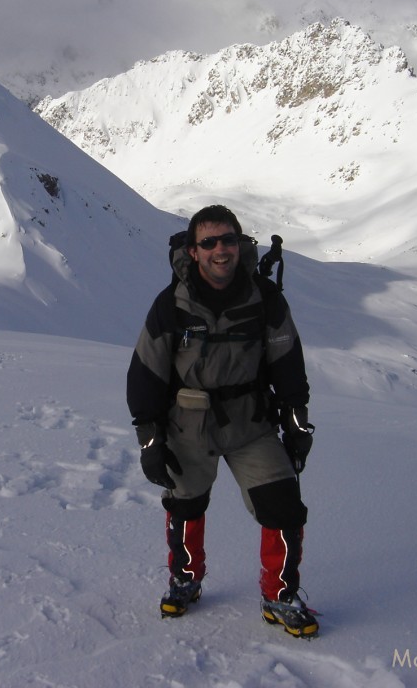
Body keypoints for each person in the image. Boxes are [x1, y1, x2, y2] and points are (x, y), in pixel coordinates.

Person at [126, 205, 318, 637]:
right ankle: (186, 579)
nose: (220, 250)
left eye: (227, 240)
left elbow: (288, 365)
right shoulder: (171, 305)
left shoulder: (265, 299)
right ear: (192, 251)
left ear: (240, 244)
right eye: (208, 242)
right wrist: (150, 439)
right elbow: (145, 373)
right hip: (188, 424)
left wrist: (296, 423)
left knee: (284, 507)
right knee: (185, 504)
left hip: (251, 422)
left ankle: (280, 595)